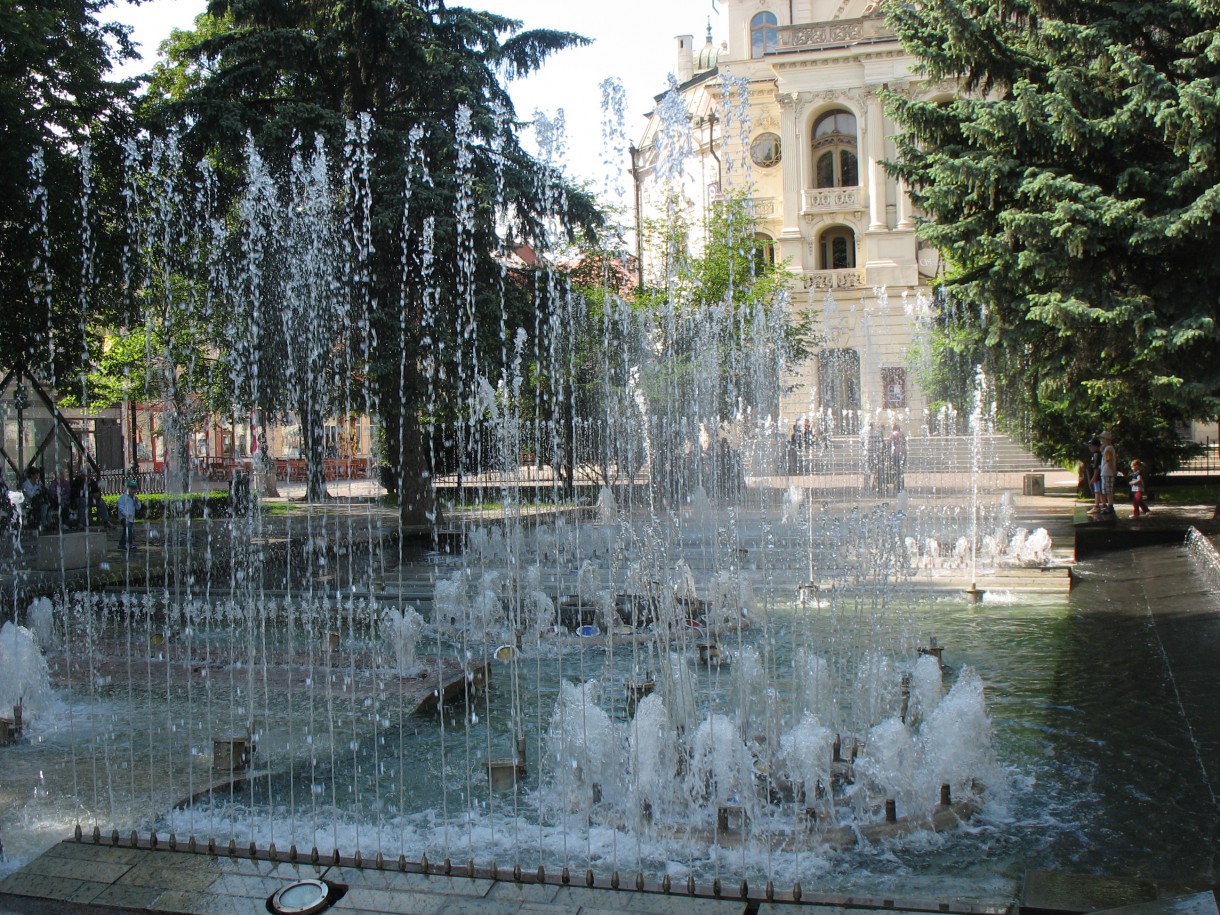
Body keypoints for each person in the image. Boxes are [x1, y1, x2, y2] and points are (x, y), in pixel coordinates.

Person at [1099, 431, 1118, 517]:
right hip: (1105, 472)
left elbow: (1109, 460)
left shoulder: (1109, 449)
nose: (1101, 440)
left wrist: (1113, 471)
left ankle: (1110, 506)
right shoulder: (1107, 448)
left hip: (1108, 472)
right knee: (1106, 490)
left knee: (1108, 490)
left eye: (1103, 438)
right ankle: (1109, 505)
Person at [117, 480, 139, 551]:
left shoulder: (134, 498)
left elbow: (138, 507)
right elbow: (120, 507)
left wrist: (137, 501)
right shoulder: (123, 497)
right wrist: (126, 514)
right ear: (128, 489)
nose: (133, 491)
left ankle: (122, 544)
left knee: (127, 531)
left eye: (135, 489)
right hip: (124, 518)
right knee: (128, 529)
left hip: (131, 519)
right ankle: (130, 544)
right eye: (132, 489)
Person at [1085, 438, 1103, 516]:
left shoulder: (1097, 455)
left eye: (1091, 446)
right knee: (1098, 491)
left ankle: (1097, 506)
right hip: (1096, 476)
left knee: (1097, 491)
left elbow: (1097, 467)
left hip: (1097, 477)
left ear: (1095, 446)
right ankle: (1103, 505)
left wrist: (1094, 477)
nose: (1090, 448)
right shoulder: (1095, 454)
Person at [889, 423, 907, 492]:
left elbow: (889, 443)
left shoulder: (893, 434)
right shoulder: (902, 434)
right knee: (901, 470)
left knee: (896, 470)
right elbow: (904, 442)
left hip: (896, 453)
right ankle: (901, 485)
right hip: (903, 453)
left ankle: (896, 485)